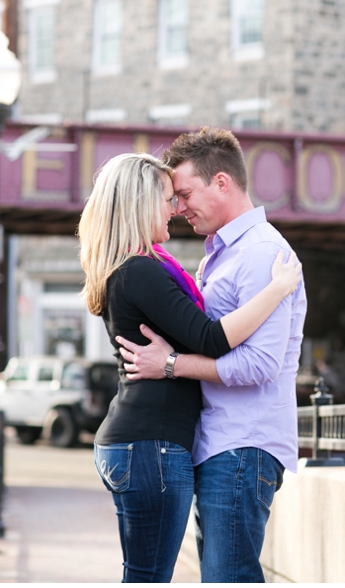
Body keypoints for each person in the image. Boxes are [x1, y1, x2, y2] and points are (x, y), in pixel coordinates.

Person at [77, 152, 301, 583]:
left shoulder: (240, 253)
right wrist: (277, 290)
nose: (175, 208)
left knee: (155, 575)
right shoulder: (142, 270)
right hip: (152, 444)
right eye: (168, 198)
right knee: (151, 577)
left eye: (180, 195)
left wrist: (172, 363)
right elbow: (212, 338)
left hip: (173, 443)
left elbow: (257, 361)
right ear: (141, 204)